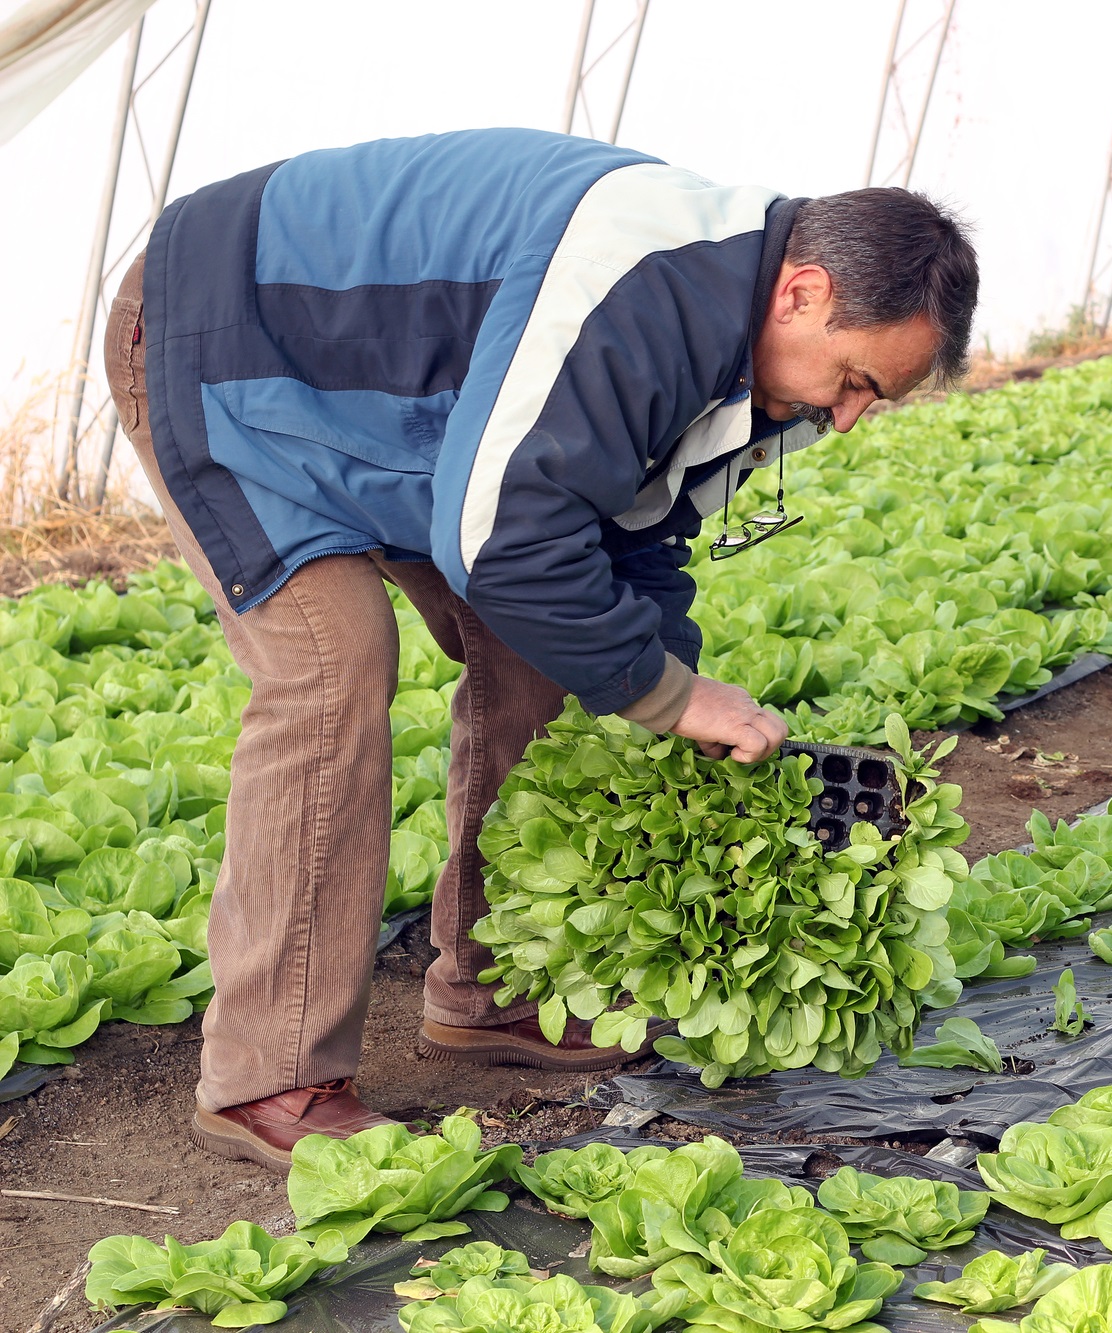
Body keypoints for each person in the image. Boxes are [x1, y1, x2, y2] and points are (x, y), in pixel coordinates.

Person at [103, 127, 979, 1172]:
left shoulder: (759, 363)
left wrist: (671, 680)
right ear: (801, 291)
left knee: (541, 655)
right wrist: (665, 695)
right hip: (224, 343)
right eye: (854, 382)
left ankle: (487, 984)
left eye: (867, 399)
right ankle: (267, 1077)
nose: (842, 420)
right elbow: (500, 537)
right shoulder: (642, 286)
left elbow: (636, 542)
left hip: (400, 416)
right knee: (334, 669)